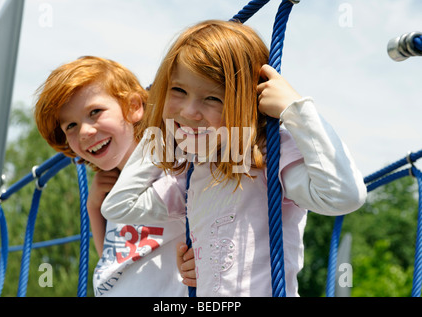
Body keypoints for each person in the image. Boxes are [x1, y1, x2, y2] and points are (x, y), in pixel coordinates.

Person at [135, 20, 367, 297]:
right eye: (178, 91)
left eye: (213, 98)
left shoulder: (269, 152)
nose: (189, 111)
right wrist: (203, 265)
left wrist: (295, 111)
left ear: (248, 101)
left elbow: (344, 195)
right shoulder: (197, 167)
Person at [34, 56, 190, 296]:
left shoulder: (172, 167)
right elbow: (114, 263)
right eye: (71, 126)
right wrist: (94, 208)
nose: (85, 131)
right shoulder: (117, 188)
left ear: (134, 107)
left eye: (95, 112)